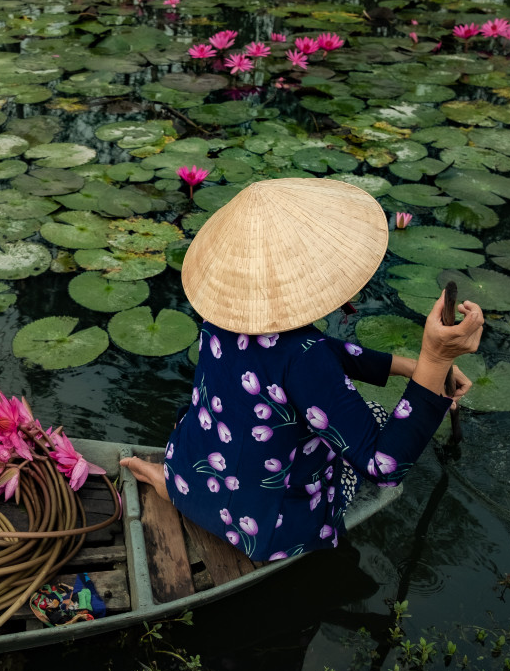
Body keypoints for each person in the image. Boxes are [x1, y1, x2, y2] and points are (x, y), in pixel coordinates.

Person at [120, 177, 484, 563]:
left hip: (192, 474)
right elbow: (384, 466)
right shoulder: (306, 357)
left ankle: (173, 486)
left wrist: (407, 367)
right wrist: (435, 359)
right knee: (375, 423)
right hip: (265, 528)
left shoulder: (223, 316)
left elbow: (304, 350)